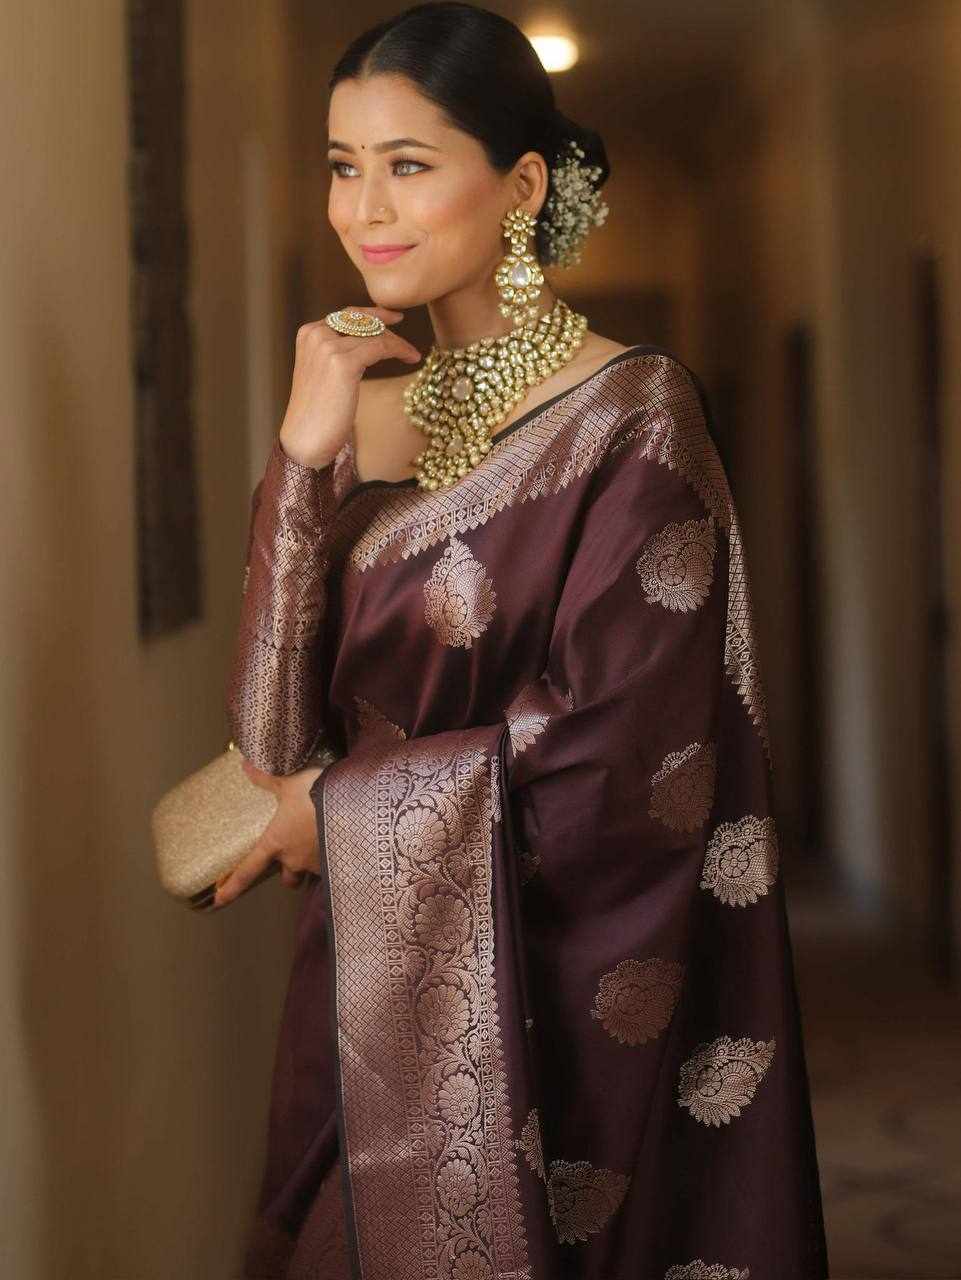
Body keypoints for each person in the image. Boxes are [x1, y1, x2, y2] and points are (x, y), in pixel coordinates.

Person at [216, 3, 830, 1277]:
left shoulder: (632, 417)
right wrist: (301, 454)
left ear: (524, 185)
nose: (364, 209)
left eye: (408, 164)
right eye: (342, 166)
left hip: (559, 1010)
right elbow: (270, 733)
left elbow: (625, 756)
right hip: (372, 978)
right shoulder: (360, 419)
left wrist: (333, 813)